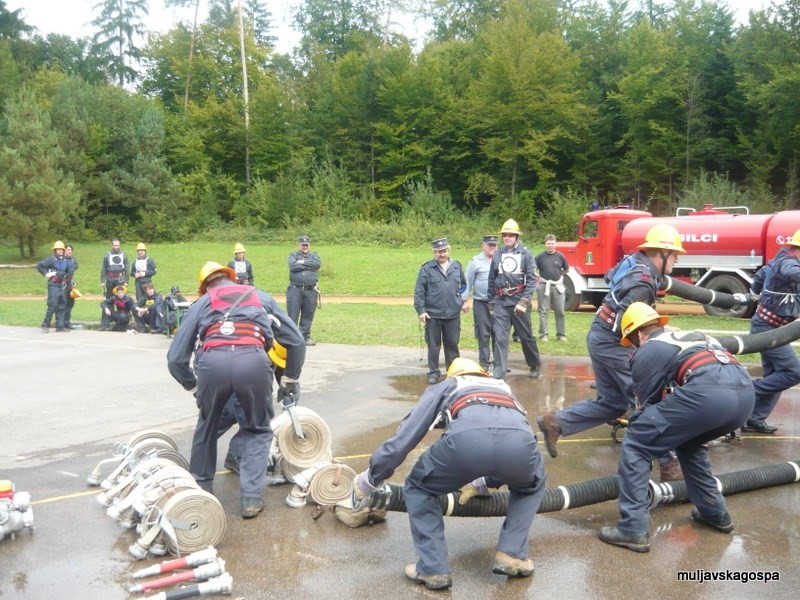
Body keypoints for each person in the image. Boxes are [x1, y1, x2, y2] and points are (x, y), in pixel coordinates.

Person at [352, 358, 546, 590]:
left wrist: (372, 477)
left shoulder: (449, 385)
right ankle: (512, 554)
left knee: (418, 486)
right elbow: (512, 438)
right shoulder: (502, 387)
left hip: (465, 441)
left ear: (452, 375)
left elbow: (408, 433)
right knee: (531, 484)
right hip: (521, 445)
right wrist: (486, 481)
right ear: (482, 374)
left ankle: (433, 568)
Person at [598, 303, 754, 552]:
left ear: (639, 334)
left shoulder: (647, 350)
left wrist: (638, 425)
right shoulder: (686, 336)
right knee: (689, 442)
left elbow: (648, 409)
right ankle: (713, 512)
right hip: (745, 395)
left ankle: (632, 529)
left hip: (708, 393)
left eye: (632, 341)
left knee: (637, 442)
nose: (634, 347)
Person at [536, 224, 686, 481]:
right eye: (673, 254)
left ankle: (556, 423)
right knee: (648, 397)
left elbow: (611, 279)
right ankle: (668, 462)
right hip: (614, 343)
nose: (676, 259)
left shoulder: (635, 263)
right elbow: (630, 322)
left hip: (599, 334)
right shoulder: (644, 281)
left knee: (613, 403)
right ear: (659, 254)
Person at [167, 262, 306, 519]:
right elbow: (295, 339)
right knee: (258, 428)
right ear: (231, 278)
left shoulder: (202, 303)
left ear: (204, 287)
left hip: (212, 365)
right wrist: (290, 379)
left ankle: (201, 490)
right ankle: (251, 499)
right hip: (253, 362)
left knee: (207, 425)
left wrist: (193, 385)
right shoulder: (259, 297)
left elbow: (175, 359)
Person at [741, 230, 800, 434]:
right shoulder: (788, 262)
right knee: (794, 371)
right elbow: (792, 272)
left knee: (776, 375)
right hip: (767, 331)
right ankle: (748, 393)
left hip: (773, 327)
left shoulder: (778, 260)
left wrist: (755, 294)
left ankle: (753, 419)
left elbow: (760, 275)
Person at [487, 219, 541, 379]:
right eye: (505, 235)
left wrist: (525, 301)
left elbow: (532, 280)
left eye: (511, 235)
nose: (507, 238)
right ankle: (499, 372)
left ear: (516, 236)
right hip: (501, 302)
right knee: (500, 338)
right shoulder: (498, 254)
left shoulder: (526, 254)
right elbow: (492, 278)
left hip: (519, 301)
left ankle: (534, 364)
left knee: (526, 336)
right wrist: (491, 302)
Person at [414, 238, 468, 384]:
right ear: (434, 252)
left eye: (444, 251)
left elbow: (463, 286)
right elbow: (419, 291)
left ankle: (453, 371)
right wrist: (421, 310)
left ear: (448, 250)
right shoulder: (426, 268)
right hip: (433, 314)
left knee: (452, 344)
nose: (442, 254)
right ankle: (433, 372)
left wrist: (462, 301)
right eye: (439, 252)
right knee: (433, 345)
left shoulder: (456, 267)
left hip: (452, 314)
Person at [463, 235, 498, 371]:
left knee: (498, 333)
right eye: (489, 245)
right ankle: (484, 363)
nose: (492, 247)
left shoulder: (501, 260)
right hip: (481, 303)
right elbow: (468, 282)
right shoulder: (475, 261)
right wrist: (464, 300)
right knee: (483, 334)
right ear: (483, 246)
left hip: (498, 303)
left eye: (494, 245)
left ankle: (498, 361)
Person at [287, 236, 322, 346]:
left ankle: (305, 337)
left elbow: (317, 264)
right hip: (295, 289)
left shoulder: (314, 255)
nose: (305, 246)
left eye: (306, 245)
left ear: (309, 245)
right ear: (299, 245)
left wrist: (302, 262)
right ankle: (292, 338)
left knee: (308, 314)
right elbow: (293, 266)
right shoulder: (293, 255)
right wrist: (308, 265)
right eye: (303, 245)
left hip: (310, 290)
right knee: (293, 314)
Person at [534, 234, 569, 342]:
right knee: (543, 311)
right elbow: (534, 270)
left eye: (552, 243)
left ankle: (561, 334)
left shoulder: (561, 256)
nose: (550, 245)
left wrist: (559, 275)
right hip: (544, 286)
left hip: (557, 286)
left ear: (555, 243)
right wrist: (537, 275)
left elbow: (566, 269)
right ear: (545, 244)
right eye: (548, 243)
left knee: (560, 311)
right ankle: (543, 335)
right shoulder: (539, 257)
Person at [36, 240, 70, 333]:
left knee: (62, 305)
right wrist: (46, 274)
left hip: (63, 284)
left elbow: (68, 272)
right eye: (58, 249)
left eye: (61, 249)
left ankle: (60, 326)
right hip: (53, 284)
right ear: (55, 250)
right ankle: (45, 325)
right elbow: (39, 266)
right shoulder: (51, 259)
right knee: (53, 305)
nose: (60, 251)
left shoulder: (65, 260)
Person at [63, 244, 80, 330]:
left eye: (70, 250)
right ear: (64, 250)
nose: (69, 251)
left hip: (70, 284)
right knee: (63, 304)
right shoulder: (61, 260)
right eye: (67, 250)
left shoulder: (73, 260)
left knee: (70, 303)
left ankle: (67, 322)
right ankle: (61, 323)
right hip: (62, 284)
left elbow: (76, 266)